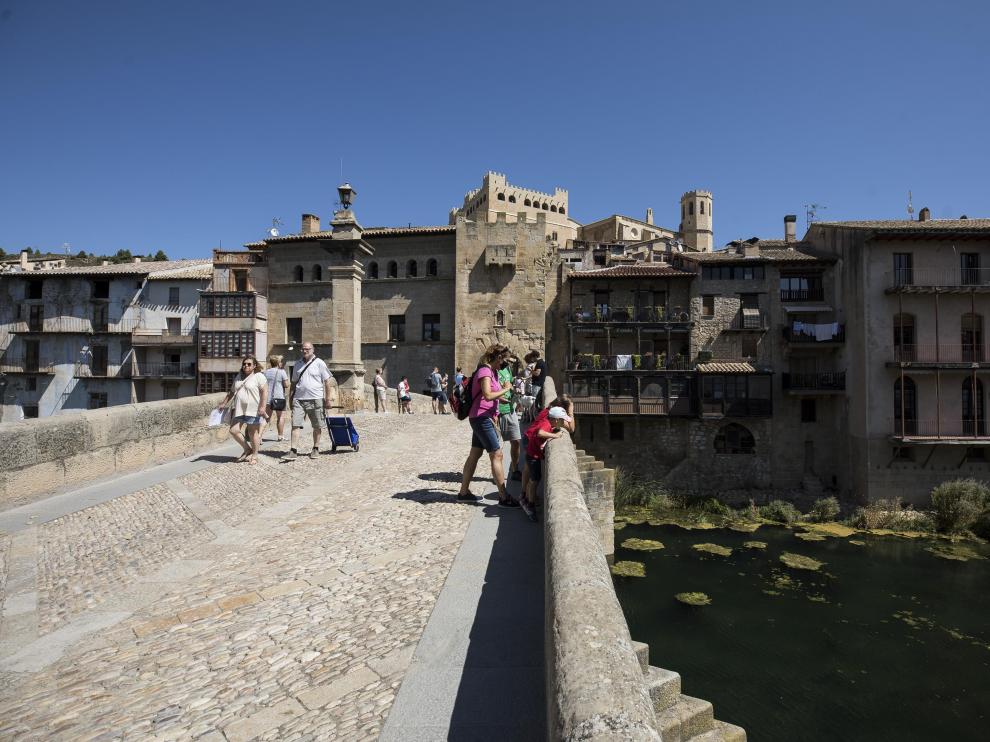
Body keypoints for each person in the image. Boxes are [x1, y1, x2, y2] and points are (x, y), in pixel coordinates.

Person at [457, 344, 515, 506]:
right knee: (497, 454)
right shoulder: (485, 371)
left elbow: (489, 396)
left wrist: (502, 398)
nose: (506, 364)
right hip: (481, 418)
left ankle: (463, 493)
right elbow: (488, 395)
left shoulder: (494, 372)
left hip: (484, 417)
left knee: (475, 454)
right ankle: (503, 497)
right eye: (505, 360)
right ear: (498, 358)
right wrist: (506, 390)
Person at [281, 343, 335, 461]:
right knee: (295, 424)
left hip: (316, 399)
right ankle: (293, 450)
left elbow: (327, 382)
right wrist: (290, 397)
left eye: (307, 349)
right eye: (303, 349)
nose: (305, 351)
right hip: (299, 399)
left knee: (317, 426)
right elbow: (294, 382)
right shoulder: (297, 364)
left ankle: (315, 448)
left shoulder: (319, 363)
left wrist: (328, 399)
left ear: (312, 350)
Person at [522, 406, 572, 522]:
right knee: (535, 480)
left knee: (535, 479)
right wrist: (555, 435)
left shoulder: (548, 422)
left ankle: (529, 499)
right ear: (555, 419)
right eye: (561, 420)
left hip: (533, 454)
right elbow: (540, 432)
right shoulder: (546, 424)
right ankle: (530, 504)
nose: (563, 422)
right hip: (533, 456)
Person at [217, 356, 269, 465]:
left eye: (249, 364)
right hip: (239, 409)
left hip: (253, 409)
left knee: (252, 433)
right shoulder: (239, 376)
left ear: (254, 366)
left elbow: (265, 392)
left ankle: (255, 455)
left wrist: (262, 407)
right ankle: (247, 449)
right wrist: (223, 403)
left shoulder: (259, 376)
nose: (246, 366)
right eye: (244, 364)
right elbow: (231, 392)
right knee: (234, 430)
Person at [497, 354, 523, 481]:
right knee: (495, 448)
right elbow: (488, 391)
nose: (510, 361)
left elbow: (510, 385)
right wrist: (499, 398)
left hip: (510, 409)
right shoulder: (493, 370)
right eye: (508, 359)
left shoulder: (507, 369)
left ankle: (515, 469)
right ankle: (498, 474)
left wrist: (515, 393)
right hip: (497, 412)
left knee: (517, 441)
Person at [263, 354, 289, 441]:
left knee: (266, 417)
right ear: (278, 363)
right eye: (281, 361)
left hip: (267, 397)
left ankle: (259, 436)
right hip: (279, 397)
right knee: (280, 417)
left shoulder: (266, 372)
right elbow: (286, 385)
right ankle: (280, 436)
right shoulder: (282, 372)